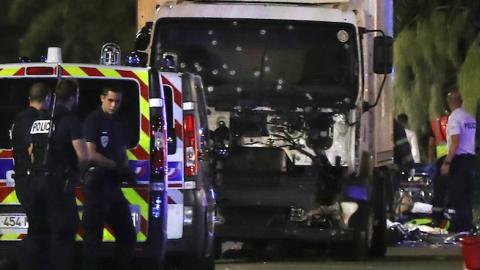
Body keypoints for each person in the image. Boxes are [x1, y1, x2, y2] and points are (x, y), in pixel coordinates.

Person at [23, 79, 88, 270]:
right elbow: (83, 156)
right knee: (63, 233)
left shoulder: (39, 119)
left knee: (37, 235)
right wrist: (78, 174)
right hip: (58, 185)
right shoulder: (70, 119)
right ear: (74, 96)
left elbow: (30, 151)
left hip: (36, 183)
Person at [82, 87, 136, 270]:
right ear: (102, 98)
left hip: (112, 186)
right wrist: (115, 165)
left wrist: (126, 169)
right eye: (110, 100)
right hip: (96, 186)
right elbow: (90, 153)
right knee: (93, 240)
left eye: (117, 101)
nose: (114, 105)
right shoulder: (93, 120)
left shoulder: (120, 122)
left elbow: (122, 151)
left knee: (128, 235)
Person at [10, 82, 51, 269]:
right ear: (47, 98)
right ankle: (13, 261)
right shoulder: (44, 120)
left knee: (38, 228)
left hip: (22, 181)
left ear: (30, 99)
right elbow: (33, 149)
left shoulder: (18, 120)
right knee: (40, 232)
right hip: (36, 181)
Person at [440, 89, 476, 232]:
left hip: (459, 162)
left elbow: (455, 141)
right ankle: (467, 225)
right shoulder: (470, 118)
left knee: (458, 195)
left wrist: (447, 162)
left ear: (449, 103)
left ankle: (461, 227)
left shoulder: (454, 118)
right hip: (471, 160)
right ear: (461, 102)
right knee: (467, 196)